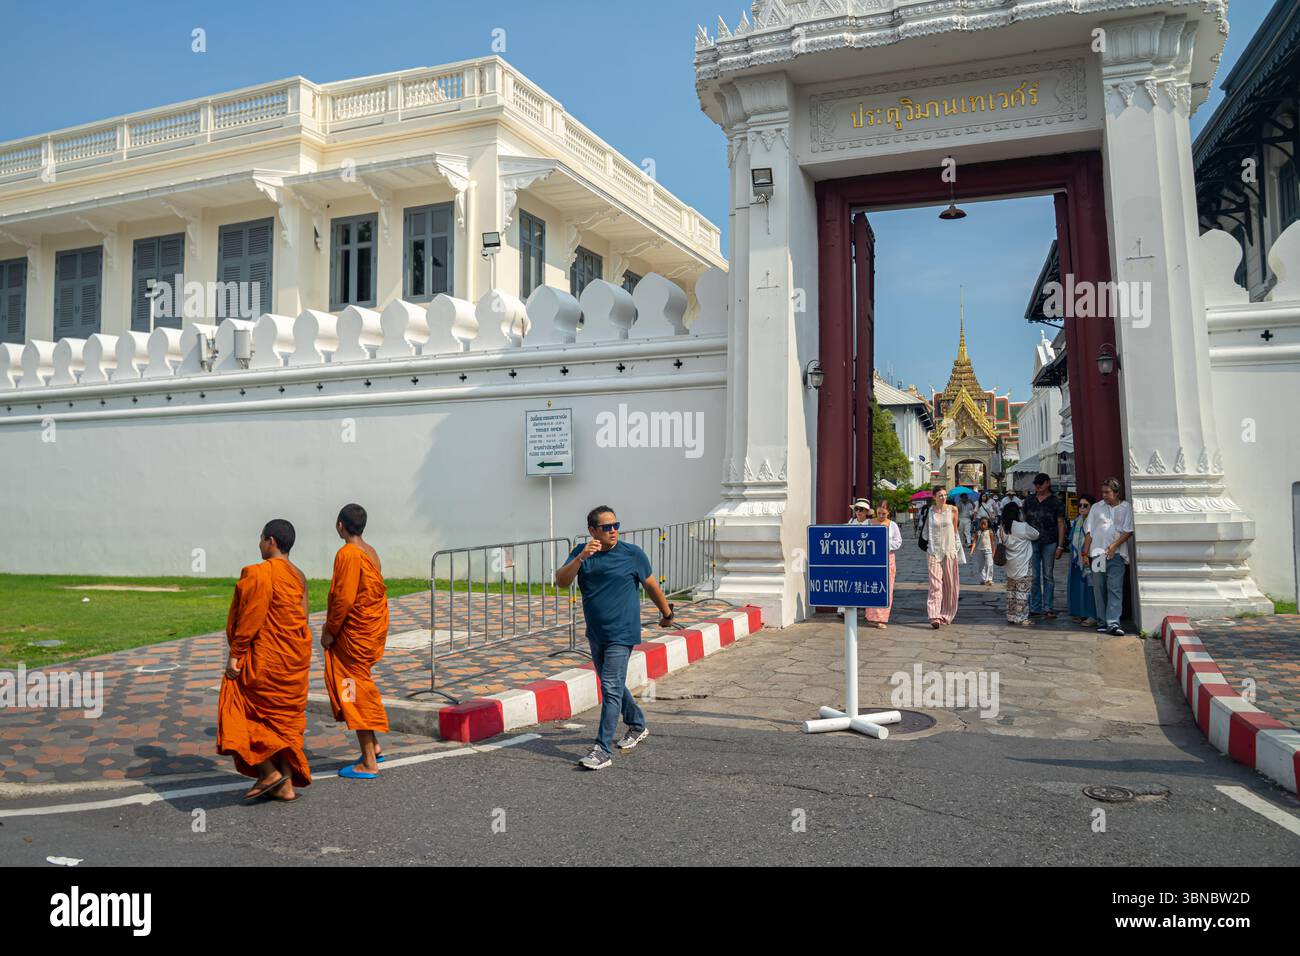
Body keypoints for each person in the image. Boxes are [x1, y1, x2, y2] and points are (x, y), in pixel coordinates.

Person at [556, 506, 676, 770]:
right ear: (592, 531)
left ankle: (602, 749)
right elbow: (561, 581)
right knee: (613, 684)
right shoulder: (582, 553)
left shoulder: (632, 554)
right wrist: (580, 559)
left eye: (616, 525)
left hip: (623, 633)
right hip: (597, 632)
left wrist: (667, 613)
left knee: (609, 686)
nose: (613, 531)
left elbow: (652, 586)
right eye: (606, 527)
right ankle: (637, 725)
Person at [217, 519, 313, 803]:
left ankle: (268, 771)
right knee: (281, 724)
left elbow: (249, 619)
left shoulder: (260, 574)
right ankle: (285, 786)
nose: (259, 544)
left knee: (237, 709)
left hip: (266, 661)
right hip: (292, 660)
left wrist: (235, 654)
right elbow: (302, 620)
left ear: (271, 541)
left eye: (260, 539)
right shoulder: (299, 576)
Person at [322, 503, 390, 780]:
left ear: (340, 525)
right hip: (368, 631)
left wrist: (330, 631)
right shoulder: (370, 552)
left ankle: (369, 762)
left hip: (352, 635)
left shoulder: (347, 554)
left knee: (354, 690)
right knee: (358, 684)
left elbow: (345, 599)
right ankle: (373, 745)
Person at [1084, 477, 1135, 636]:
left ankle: (1113, 623)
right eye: (1103, 492)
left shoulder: (1126, 508)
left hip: (1117, 554)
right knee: (1099, 589)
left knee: (1115, 588)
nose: (1104, 495)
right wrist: (1085, 552)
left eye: (1107, 492)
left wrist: (1114, 546)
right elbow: (1089, 532)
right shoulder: (1096, 508)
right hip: (1097, 553)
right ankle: (1102, 621)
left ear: (1116, 492)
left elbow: (1128, 531)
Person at [1022, 472, 1068, 619]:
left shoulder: (1056, 501)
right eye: (1036, 484)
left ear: (1047, 483)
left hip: (1050, 541)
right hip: (1032, 542)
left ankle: (1048, 606)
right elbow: (1023, 522)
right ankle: (1035, 606)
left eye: (1040, 484)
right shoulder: (1029, 500)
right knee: (1034, 576)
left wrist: (1061, 545)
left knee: (1048, 575)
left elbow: (1061, 524)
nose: (1037, 487)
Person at [925, 486, 965, 628]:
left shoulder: (953, 510)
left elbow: (955, 531)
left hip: (949, 551)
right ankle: (934, 615)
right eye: (940, 495)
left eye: (944, 495)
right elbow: (925, 532)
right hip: (934, 551)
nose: (943, 497)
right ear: (934, 497)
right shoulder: (929, 511)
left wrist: (957, 549)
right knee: (935, 584)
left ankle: (946, 614)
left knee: (950, 584)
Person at [998, 502, 1040, 625]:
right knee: (1022, 592)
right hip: (1023, 563)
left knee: (1011, 592)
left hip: (1009, 564)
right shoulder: (1022, 527)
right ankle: (1021, 617)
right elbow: (1036, 534)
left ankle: (1011, 615)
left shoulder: (1002, 528)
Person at [864, 499, 903, 628]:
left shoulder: (892, 525)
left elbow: (898, 542)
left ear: (888, 513)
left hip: (887, 558)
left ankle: (882, 618)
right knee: (871, 586)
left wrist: (884, 544)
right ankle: (870, 615)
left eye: (884, 514)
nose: (881, 516)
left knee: (886, 588)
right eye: (879, 513)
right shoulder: (869, 523)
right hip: (871, 559)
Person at [1067, 494, 1099, 628]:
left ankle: (1092, 614)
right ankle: (1080, 611)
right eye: (1079, 505)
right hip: (1077, 559)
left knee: (1091, 587)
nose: (1081, 508)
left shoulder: (1094, 521)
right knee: (1078, 585)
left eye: (1085, 505)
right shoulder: (1077, 521)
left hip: (1091, 557)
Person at [840, 498, 873, 620]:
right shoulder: (851, 521)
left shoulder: (870, 524)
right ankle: (843, 609)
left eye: (862, 509)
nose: (859, 512)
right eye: (857, 509)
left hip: (865, 557)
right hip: (852, 556)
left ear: (866, 512)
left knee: (865, 583)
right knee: (848, 581)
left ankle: (868, 611)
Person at [969, 516, 995, 585]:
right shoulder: (978, 532)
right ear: (979, 524)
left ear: (987, 524)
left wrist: (993, 552)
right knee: (981, 566)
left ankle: (989, 579)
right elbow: (974, 542)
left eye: (984, 524)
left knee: (989, 564)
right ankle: (983, 579)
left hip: (988, 550)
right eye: (981, 524)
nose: (983, 526)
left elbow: (992, 542)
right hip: (980, 550)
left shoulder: (990, 532)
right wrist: (971, 551)